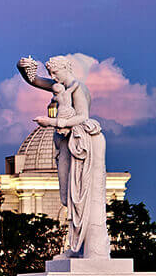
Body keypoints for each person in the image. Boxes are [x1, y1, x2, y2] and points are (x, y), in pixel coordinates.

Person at [18, 55, 109, 258]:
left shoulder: (78, 88)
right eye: (50, 73)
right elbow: (34, 80)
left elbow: (83, 116)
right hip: (65, 144)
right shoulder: (59, 86)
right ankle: (77, 246)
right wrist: (22, 67)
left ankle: (84, 248)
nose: (52, 77)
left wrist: (52, 123)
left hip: (78, 143)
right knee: (69, 196)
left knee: (79, 196)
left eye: (55, 73)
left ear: (66, 69)